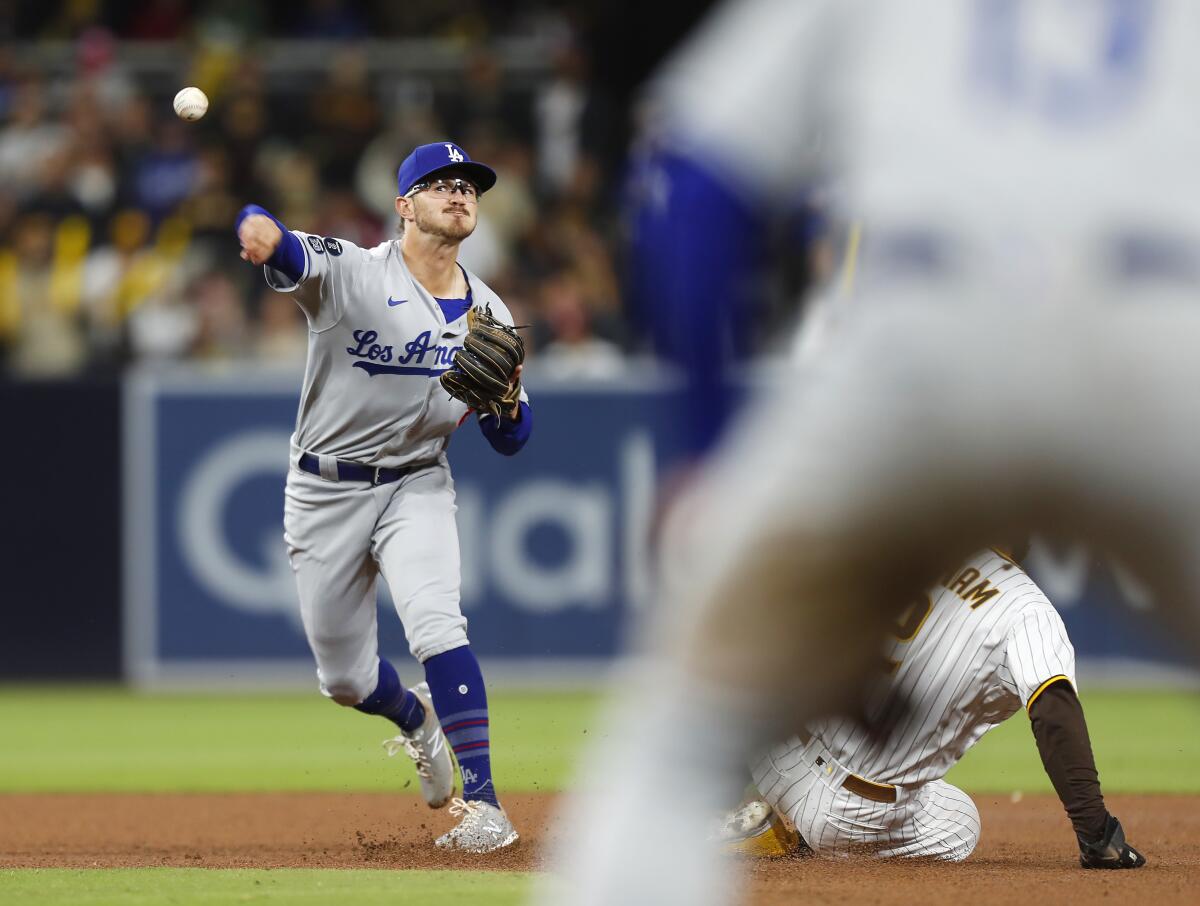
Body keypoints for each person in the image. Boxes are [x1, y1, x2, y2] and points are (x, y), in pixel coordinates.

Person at [540, 1, 1199, 902]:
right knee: (956, 821)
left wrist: (707, 450)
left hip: (925, 342)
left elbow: (691, 188)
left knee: (679, 740)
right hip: (1166, 335)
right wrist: (1100, 835)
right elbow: (1052, 701)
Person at [236, 141, 530, 853]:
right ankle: (415, 721)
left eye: (468, 186)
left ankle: (487, 808)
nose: (458, 194)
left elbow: (513, 440)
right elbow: (283, 247)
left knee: (437, 625)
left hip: (416, 483)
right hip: (323, 489)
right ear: (404, 205)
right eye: (439, 184)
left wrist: (506, 402)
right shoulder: (357, 275)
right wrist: (261, 229)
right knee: (343, 679)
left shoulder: (489, 309)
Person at [715, 547, 1143, 866]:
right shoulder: (1028, 609)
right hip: (849, 818)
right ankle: (803, 837)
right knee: (963, 820)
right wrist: (1097, 835)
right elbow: (1053, 712)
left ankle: (728, 815)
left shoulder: (918, 543)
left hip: (777, 756)